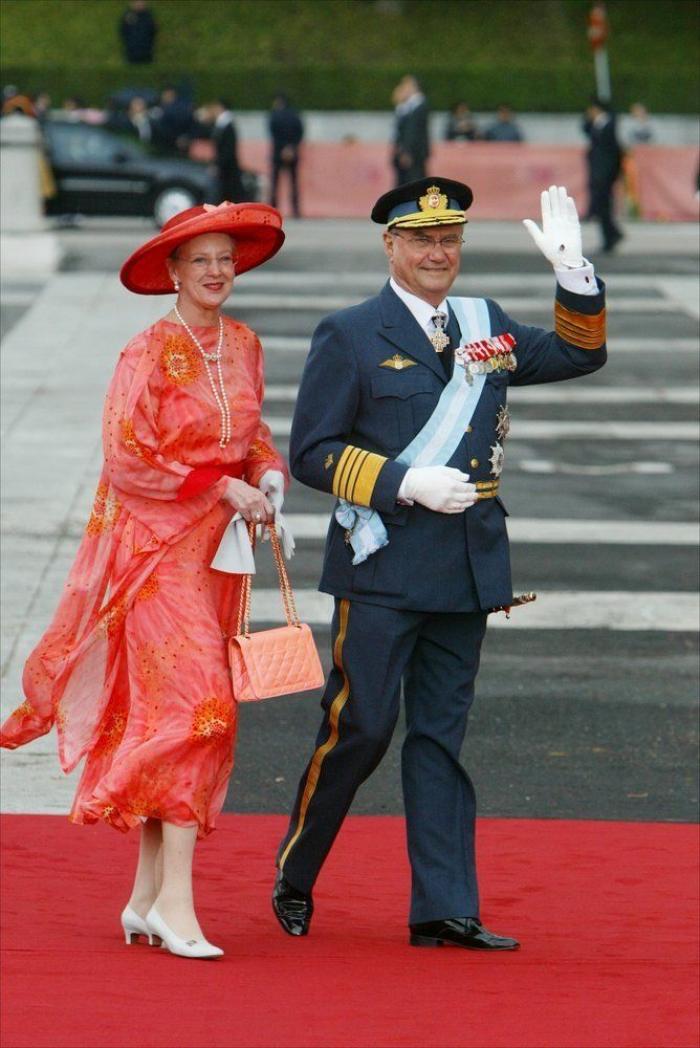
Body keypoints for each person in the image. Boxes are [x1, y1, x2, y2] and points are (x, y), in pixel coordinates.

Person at [272, 178, 607, 951]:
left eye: (449, 239)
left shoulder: (483, 323)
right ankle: (296, 869)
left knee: (439, 739)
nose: (437, 253)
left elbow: (577, 355)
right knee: (361, 727)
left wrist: (573, 277)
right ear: (390, 246)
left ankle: (443, 907)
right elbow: (312, 453)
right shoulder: (351, 333)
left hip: (464, 566)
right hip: (383, 567)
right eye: (421, 240)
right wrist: (402, 481)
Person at [0, 202, 289, 959]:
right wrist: (220, 486)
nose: (217, 271)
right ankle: (177, 908)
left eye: (226, 257)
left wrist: (266, 475)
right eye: (201, 261)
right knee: (200, 709)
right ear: (172, 273)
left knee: (179, 717)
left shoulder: (247, 344)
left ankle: (147, 897)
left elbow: (252, 432)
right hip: (155, 555)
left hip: (217, 557)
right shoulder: (146, 353)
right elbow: (127, 457)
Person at [583, 98, 624, 252]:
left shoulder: (610, 123)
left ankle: (611, 236)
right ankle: (612, 234)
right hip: (597, 172)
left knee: (604, 206)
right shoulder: (596, 123)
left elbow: (615, 151)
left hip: (605, 174)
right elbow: (585, 129)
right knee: (602, 206)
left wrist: (612, 174)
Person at [269, 93, 304, 218]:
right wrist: (291, 147)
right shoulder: (295, 115)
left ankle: (272, 208)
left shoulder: (274, 115)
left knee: (275, 183)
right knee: (293, 183)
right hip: (292, 153)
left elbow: (273, 134)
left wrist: (283, 148)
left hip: (278, 153)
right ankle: (295, 210)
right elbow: (300, 133)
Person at [391, 75, 430, 186]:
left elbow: (412, 131)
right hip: (407, 150)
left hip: (415, 152)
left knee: (414, 182)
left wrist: (407, 151)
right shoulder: (408, 105)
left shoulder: (418, 104)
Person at [207, 99, 246, 203]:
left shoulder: (226, 124)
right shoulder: (224, 123)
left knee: (230, 194)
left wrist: (218, 164)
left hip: (228, 168)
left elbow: (227, 149)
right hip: (228, 166)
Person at [119, 0, 157, 64]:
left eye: (141, 2)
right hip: (131, 52)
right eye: (136, 2)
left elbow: (152, 31)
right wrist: (129, 44)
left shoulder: (148, 16)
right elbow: (123, 31)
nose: (139, 4)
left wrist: (149, 44)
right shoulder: (127, 16)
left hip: (146, 52)